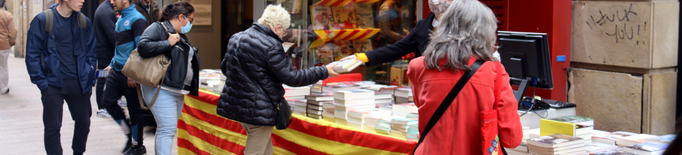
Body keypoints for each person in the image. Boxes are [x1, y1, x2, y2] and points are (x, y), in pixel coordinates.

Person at [217, 5, 339, 155]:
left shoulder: (237, 37)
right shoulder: (271, 45)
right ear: (277, 27)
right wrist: (323, 70)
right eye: (284, 30)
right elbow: (292, 78)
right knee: (255, 151)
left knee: (265, 150)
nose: (283, 34)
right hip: (257, 110)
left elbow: (225, 68)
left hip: (238, 105)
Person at [406, 0, 522, 154]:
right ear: (486, 31)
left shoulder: (417, 67)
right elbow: (511, 139)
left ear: (443, 26)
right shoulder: (495, 71)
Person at [25, 0, 96, 154]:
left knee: (84, 123)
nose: (82, 1)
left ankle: (78, 152)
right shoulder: (43, 20)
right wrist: (42, 83)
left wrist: (89, 74)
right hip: (53, 84)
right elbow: (32, 54)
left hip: (79, 83)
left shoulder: (84, 21)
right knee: (53, 127)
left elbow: (91, 51)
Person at [136, 2, 198, 155]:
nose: (190, 24)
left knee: (166, 129)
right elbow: (142, 47)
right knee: (167, 129)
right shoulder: (158, 28)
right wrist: (167, 43)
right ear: (181, 17)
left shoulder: (180, 34)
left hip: (175, 90)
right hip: (161, 89)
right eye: (190, 20)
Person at [341, 0, 454, 66]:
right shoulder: (423, 26)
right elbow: (397, 49)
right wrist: (361, 57)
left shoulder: (466, 26)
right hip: (428, 85)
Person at [101, 0, 148, 154]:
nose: (112, 2)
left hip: (129, 74)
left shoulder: (138, 19)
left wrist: (133, 73)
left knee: (134, 109)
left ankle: (137, 145)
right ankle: (129, 134)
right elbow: (119, 46)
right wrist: (112, 63)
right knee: (107, 102)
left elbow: (140, 49)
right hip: (116, 70)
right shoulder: (120, 18)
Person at [93, 0, 117, 117]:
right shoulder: (106, 11)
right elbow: (112, 34)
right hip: (104, 51)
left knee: (104, 77)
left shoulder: (105, 9)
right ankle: (101, 107)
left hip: (103, 50)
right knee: (102, 77)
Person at [0, 0, 16, 94]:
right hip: (4, 44)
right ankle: (3, 88)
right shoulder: (7, 15)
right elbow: (12, 32)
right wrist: (12, 42)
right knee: (3, 66)